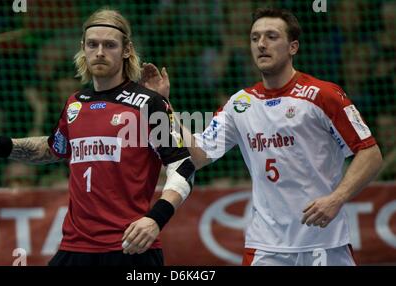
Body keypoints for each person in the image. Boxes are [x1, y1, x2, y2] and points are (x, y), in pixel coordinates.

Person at [142, 7, 383, 266]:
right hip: (266, 247)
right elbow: (199, 155)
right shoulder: (240, 104)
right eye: (255, 38)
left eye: (271, 36)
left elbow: (370, 154)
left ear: (293, 47)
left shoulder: (324, 95)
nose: (261, 44)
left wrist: (337, 199)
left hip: (325, 242)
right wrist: (163, 104)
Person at [0, 7, 195, 266]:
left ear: (126, 50)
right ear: (83, 48)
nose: (99, 52)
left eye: (109, 45)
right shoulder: (75, 103)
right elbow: (52, 148)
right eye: (92, 44)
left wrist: (156, 218)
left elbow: (183, 165)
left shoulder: (148, 103)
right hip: (75, 247)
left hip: (130, 249)